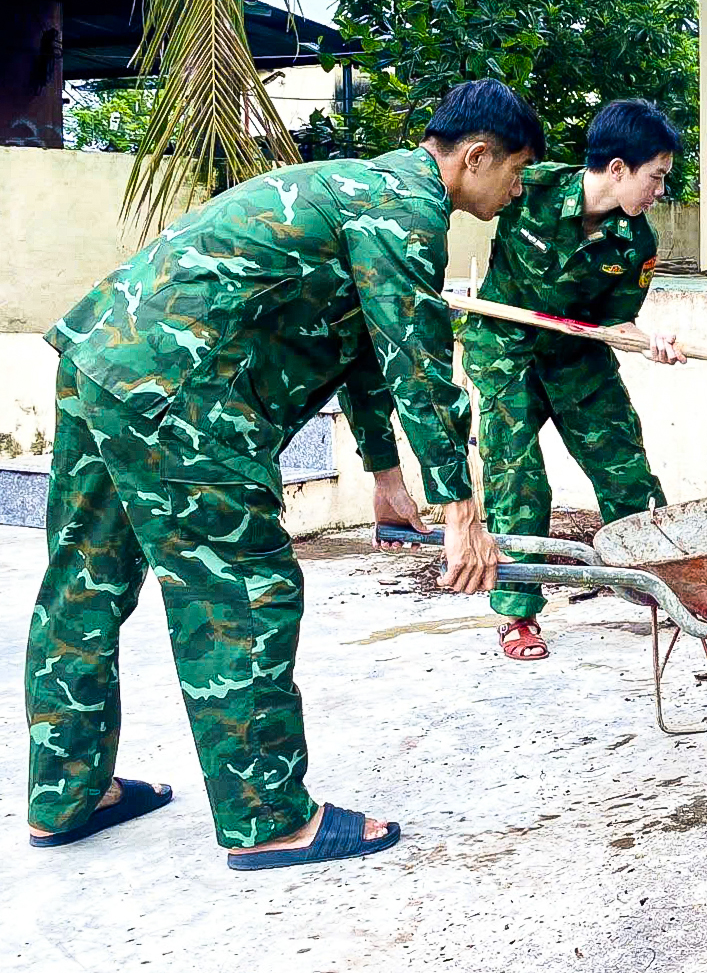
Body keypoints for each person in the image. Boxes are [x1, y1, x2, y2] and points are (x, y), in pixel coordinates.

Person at [24, 80, 542, 867]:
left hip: (105, 363)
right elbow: (419, 365)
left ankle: (66, 795)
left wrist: (384, 474)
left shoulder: (363, 188)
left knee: (84, 583)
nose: (516, 190)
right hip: (181, 398)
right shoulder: (407, 213)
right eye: (515, 171)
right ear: (476, 156)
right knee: (243, 591)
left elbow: (367, 347)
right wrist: (463, 513)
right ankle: (269, 819)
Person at [461, 98, 687, 662]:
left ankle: (657, 579)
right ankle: (517, 616)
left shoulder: (638, 244)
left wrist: (646, 339)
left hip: (577, 359)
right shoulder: (526, 189)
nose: (659, 191)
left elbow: (619, 321)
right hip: (505, 350)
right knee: (518, 477)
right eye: (655, 177)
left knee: (623, 466)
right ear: (617, 169)